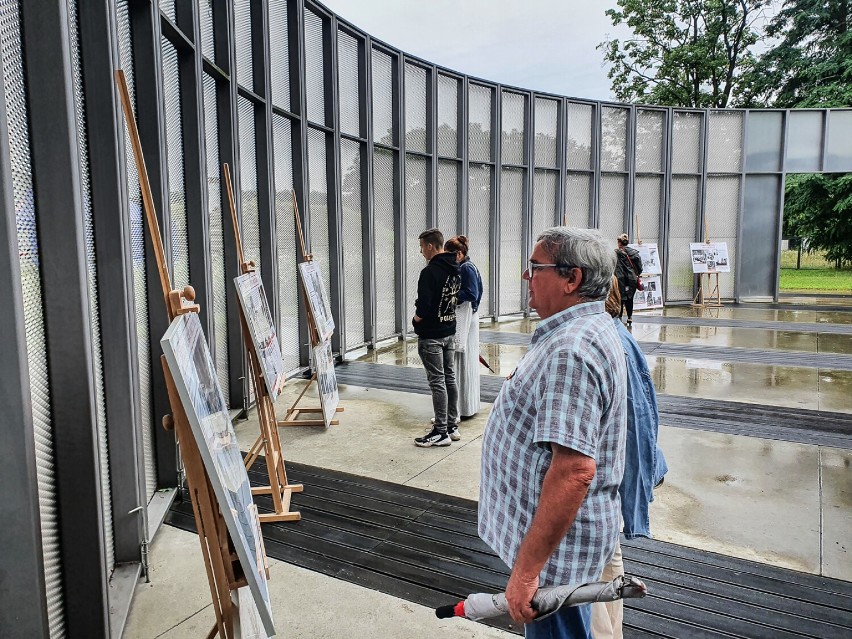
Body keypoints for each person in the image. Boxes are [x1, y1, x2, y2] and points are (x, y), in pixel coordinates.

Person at [479, 227, 627, 639]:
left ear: (571, 279)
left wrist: (528, 572)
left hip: (556, 566)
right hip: (565, 556)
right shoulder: (586, 331)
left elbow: (574, 470)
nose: (527, 277)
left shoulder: (572, 350)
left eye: (535, 267)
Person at [591, 279, 668, 639]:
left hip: (592, 495)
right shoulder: (618, 337)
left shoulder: (600, 345)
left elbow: (634, 419)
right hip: (605, 493)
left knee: (586, 584)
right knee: (607, 570)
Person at [412, 228, 461, 448]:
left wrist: (416, 319)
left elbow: (424, 304)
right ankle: (451, 425)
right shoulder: (455, 267)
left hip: (431, 334)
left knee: (437, 381)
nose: (421, 251)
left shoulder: (430, 271)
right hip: (449, 330)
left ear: (431, 246)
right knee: (449, 377)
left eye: (422, 247)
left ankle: (440, 432)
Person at [444, 235, 483, 430]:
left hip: (466, 319)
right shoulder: (471, 266)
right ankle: (466, 406)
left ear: (459, 253)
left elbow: (471, 293)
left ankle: (459, 409)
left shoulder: (466, 268)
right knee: (465, 363)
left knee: (460, 361)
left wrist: (450, 295)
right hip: (471, 318)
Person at [614, 234, 642, 326]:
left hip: (620, 279)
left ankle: (620, 318)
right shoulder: (634, 253)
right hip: (631, 279)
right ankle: (630, 317)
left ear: (619, 243)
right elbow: (640, 268)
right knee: (630, 298)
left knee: (620, 299)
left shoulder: (615, 254)